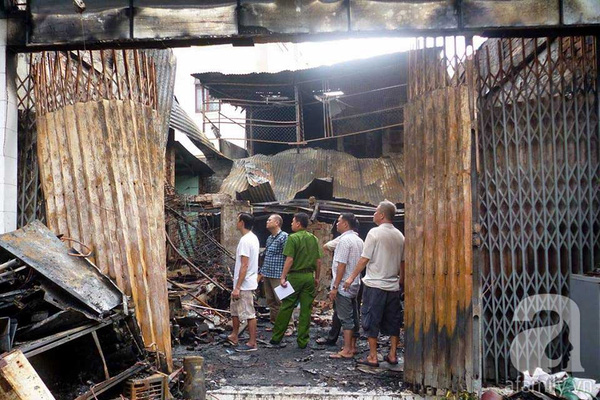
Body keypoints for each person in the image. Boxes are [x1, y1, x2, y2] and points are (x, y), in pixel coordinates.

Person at [343, 200, 404, 367]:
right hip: (393, 286)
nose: (374, 214)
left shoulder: (374, 233)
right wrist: (401, 281)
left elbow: (364, 259)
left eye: (376, 211)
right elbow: (403, 263)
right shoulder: (400, 236)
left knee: (371, 320)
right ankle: (392, 354)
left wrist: (351, 277)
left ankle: (373, 356)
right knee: (394, 321)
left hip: (375, 285)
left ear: (382, 215)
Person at [270, 212, 323, 349]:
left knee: (286, 306)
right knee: (306, 309)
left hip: (295, 277)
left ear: (298, 224)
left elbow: (290, 259)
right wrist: (317, 277)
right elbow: (318, 260)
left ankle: (276, 337)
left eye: (293, 221)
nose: (291, 224)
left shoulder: (292, 238)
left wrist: (283, 277)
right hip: (309, 276)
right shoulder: (313, 239)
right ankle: (302, 341)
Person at [328, 213, 363, 359]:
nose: (337, 224)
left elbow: (341, 265)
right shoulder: (359, 240)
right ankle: (353, 346)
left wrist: (335, 287)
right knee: (354, 314)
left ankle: (347, 349)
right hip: (354, 283)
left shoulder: (344, 241)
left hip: (344, 285)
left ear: (346, 224)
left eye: (339, 221)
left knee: (345, 318)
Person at [228, 212, 260, 352]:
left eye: (237, 220)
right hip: (242, 282)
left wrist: (238, 287)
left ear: (242, 222)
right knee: (234, 310)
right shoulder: (252, 238)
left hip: (244, 284)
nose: (236, 222)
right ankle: (234, 335)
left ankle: (252, 342)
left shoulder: (245, 241)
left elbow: (244, 265)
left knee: (249, 313)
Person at [257, 214, 290, 333]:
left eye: (269, 220)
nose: (267, 221)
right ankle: (276, 324)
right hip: (268, 273)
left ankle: (289, 326)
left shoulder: (284, 237)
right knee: (271, 301)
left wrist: (284, 276)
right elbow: (267, 256)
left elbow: (289, 257)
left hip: (279, 275)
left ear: (277, 223)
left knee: (283, 301)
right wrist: (262, 273)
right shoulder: (270, 238)